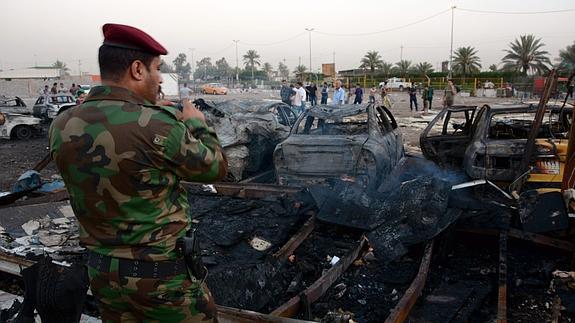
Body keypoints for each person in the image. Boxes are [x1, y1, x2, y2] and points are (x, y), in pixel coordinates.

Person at [49, 23, 226, 322]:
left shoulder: (63, 124)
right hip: (162, 283)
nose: (159, 80)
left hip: (103, 277)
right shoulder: (160, 124)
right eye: (156, 69)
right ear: (137, 69)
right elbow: (216, 168)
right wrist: (196, 123)